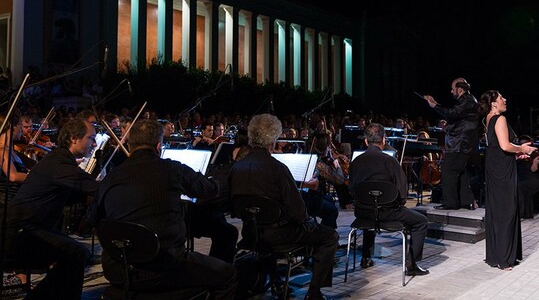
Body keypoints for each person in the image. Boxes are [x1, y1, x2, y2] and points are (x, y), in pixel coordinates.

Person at [88, 119, 238, 299]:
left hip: (118, 272)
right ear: (159, 146)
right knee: (228, 275)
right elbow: (210, 190)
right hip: (163, 268)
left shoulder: (111, 177)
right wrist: (213, 178)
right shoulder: (172, 169)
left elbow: (93, 219)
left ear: (130, 143)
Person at [229, 113, 338, 300]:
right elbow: (298, 212)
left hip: (251, 233)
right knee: (330, 236)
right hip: (281, 236)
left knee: (268, 224)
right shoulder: (277, 168)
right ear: (273, 140)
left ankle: (277, 282)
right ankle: (314, 293)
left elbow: (234, 206)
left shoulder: (236, 167)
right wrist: (307, 221)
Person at [4, 117, 99, 299]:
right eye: (91, 138)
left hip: (31, 228)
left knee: (76, 254)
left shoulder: (60, 159)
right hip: (20, 234)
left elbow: (78, 193)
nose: (94, 143)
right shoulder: (60, 162)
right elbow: (94, 188)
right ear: (74, 138)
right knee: (76, 253)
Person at [348, 122, 429, 275]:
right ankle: (411, 266)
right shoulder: (390, 161)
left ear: (366, 141)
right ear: (384, 140)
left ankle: (365, 258)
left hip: (363, 213)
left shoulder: (355, 162)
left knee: (370, 204)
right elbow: (403, 193)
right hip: (387, 214)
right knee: (421, 221)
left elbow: (352, 189)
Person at [478, 90, 537, 270]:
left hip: (495, 165)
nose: (505, 99)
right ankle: (505, 259)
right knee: (507, 210)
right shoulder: (500, 119)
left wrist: (516, 152)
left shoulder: (487, 118)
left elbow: (497, 146)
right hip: (502, 170)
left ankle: (497, 255)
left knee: (498, 209)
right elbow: (505, 145)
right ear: (494, 103)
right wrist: (523, 150)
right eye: (501, 98)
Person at [424, 77, 480, 210]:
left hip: (460, 144)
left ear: (460, 89)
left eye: (453, 88)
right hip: (464, 143)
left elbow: (452, 114)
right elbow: (460, 120)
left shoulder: (467, 100)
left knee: (448, 169)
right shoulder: (468, 101)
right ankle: (465, 202)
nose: (451, 91)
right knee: (460, 171)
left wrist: (434, 105)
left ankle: (450, 203)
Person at [516, 134, 539, 219]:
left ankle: (522, 213)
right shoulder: (517, 154)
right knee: (516, 185)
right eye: (521, 144)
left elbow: (534, 170)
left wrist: (535, 163)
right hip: (521, 178)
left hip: (535, 179)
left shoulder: (535, 155)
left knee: (521, 186)